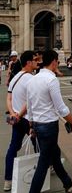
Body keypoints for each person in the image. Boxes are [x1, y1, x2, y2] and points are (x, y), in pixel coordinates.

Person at [25, 50, 72, 193]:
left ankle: (68, 183)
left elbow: (29, 105)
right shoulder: (51, 80)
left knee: (55, 155)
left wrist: (31, 124)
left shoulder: (32, 79)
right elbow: (61, 108)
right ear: (54, 61)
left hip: (37, 124)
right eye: (57, 61)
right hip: (48, 126)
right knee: (44, 163)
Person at [4, 51, 37, 191]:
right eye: (35, 60)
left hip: (16, 119)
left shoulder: (15, 77)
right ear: (28, 62)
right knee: (42, 144)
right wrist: (20, 114)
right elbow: (30, 102)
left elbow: (8, 98)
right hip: (27, 119)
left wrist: (13, 114)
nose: (37, 62)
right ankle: (46, 168)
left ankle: (8, 180)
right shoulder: (31, 79)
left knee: (13, 147)